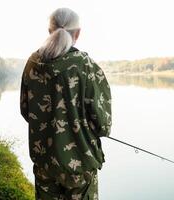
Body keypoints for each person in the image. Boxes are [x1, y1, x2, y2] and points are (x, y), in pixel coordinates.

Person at [20, 7, 112, 200]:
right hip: (80, 164)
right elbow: (103, 124)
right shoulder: (84, 65)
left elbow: (26, 111)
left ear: (49, 31)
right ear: (77, 33)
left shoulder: (32, 62)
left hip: (44, 161)